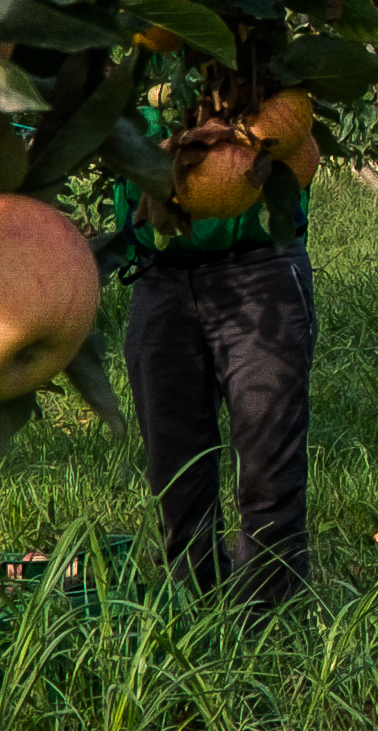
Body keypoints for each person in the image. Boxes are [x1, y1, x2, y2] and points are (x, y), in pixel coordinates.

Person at [124, 87, 318, 606]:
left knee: (268, 461)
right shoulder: (132, 44)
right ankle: (197, 613)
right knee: (175, 469)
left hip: (257, 266)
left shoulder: (252, 58)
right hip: (160, 274)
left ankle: (270, 619)